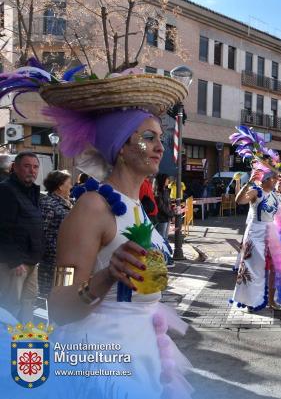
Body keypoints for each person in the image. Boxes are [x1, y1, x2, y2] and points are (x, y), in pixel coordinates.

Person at [24, 68, 193, 397]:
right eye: (148, 137)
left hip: (145, 349)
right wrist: (107, 276)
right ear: (121, 145)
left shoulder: (136, 206)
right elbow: (59, 304)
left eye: (161, 137)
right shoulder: (91, 207)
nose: (160, 146)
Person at [229, 126, 281, 311]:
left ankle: (271, 300)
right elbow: (239, 201)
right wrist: (248, 182)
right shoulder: (257, 191)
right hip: (255, 234)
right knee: (253, 269)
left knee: (273, 270)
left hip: (271, 235)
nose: (278, 179)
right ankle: (249, 301)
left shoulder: (277, 196)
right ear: (267, 179)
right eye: (275, 177)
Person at [0, 152, 44, 323]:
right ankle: (5, 346)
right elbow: (2, 229)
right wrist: (15, 260)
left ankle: (24, 341)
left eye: (35, 167)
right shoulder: (5, 190)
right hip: (15, 263)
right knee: (9, 306)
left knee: (28, 303)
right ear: (15, 168)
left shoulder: (32, 191)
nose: (32, 170)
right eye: (27, 166)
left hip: (32, 260)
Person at [39, 170, 73, 298]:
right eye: (68, 184)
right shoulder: (49, 203)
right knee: (52, 296)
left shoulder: (67, 202)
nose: (71, 186)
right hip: (53, 261)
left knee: (64, 294)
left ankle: (63, 317)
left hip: (67, 259)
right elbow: (42, 232)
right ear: (60, 186)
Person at [155, 173, 174, 242]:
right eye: (167, 179)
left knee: (165, 237)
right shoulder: (158, 192)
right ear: (162, 180)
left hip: (167, 217)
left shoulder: (166, 190)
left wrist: (171, 214)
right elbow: (161, 206)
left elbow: (168, 203)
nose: (168, 180)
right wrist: (171, 214)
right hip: (161, 218)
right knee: (161, 238)